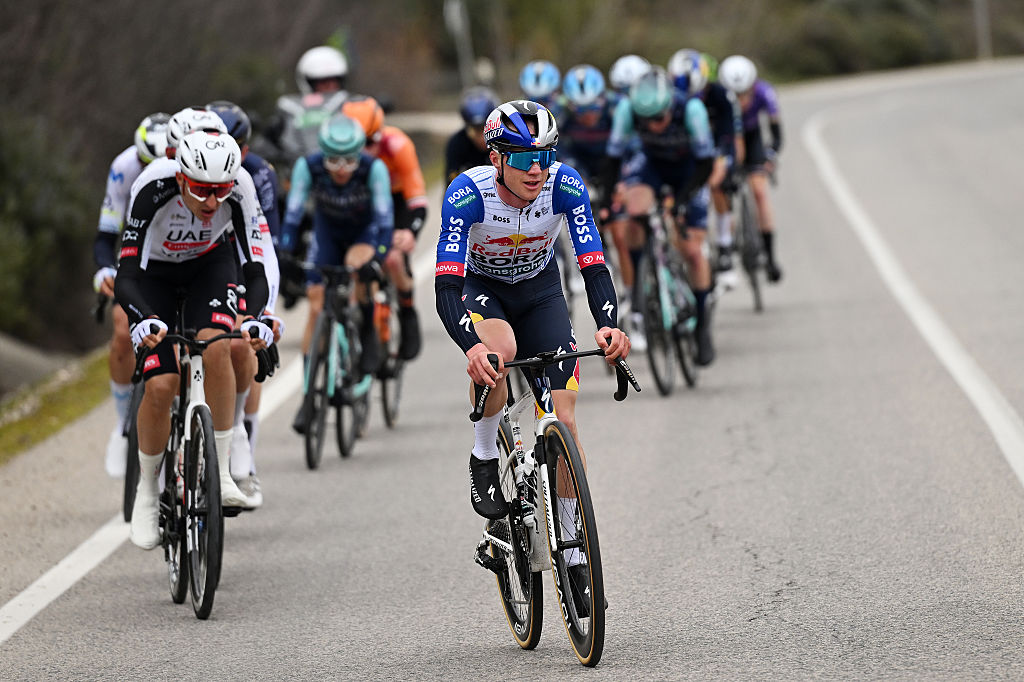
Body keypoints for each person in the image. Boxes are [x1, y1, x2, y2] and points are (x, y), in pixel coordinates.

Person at [434, 99, 630, 523]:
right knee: (498, 351)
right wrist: (471, 347)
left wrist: (609, 325)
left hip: (540, 291)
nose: (536, 170)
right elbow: (446, 286)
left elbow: (593, 263)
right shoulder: (468, 193)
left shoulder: (566, 185)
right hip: (482, 286)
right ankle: (484, 453)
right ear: (496, 158)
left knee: (564, 420)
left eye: (544, 156)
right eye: (523, 158)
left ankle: (572, 550)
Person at [115, 131, 276, 549]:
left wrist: (258, 318)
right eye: (202, 190)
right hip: (154, 278)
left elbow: (256, 267)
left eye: (220, 191)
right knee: (162, 384)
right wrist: (141, 320)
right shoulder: (153, 187)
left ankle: (220, 472)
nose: (211, 202)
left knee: (220, 344)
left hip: (210, 266)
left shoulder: (237, 189)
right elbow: (127, 276)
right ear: (182, 177)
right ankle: (148, 493)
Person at [280, 114, 394, 433]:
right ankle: (308, 396)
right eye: (333, 161)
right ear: (322, 155)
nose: (341, 169)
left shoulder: (374, 170)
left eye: (348, 161)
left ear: (360, 154)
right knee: (316, 307)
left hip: (363, 233)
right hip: (327, 235)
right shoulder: (309, 166)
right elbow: (292, 215)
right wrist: (285, 253)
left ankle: (368, 331)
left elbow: (385, 221)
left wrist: (379, 258)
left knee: (360, 270)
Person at [604, 66, 717, 365]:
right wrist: (606, 202)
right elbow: (613, 159)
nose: (653, 125)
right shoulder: (629, 109)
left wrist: (680, 202)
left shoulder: (691, 109)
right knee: (634, 212)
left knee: (692, 251)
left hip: (690, 171)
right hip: (653, 166)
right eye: (646, 120)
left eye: (659, 118)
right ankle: (643, 281)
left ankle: (703, 325)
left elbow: (706, 164)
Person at [208, 100, 284, 509]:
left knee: (241, 345)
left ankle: (242, 447)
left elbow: (263, 246)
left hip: (240, 260)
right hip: (195, 263)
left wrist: (263, 313)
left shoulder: (256, 175)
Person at [92, 113, 169, 478]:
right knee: (123, 331)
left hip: (179, 256)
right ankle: (124, 425)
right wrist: (105, 270)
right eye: (145, 163)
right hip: (138, 257)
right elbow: (106, 234)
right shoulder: (123, 167)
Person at [343, 95, 426, 361]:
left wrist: (410, 232)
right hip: (364, 202)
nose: (363, 152)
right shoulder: (342, 152)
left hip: (397, 202)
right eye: (357, 145)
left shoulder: (398, 145)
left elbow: (418, 201)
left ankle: (407, 310)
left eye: (369, 143)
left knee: (392, 257)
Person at [669, 49, 743, 285]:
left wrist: (722, 162)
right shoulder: (671, 98)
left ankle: (724, 246)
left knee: (718, 184)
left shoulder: (720, 95)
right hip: (690, 151)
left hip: (717, 146)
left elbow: (728, 133)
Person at [718, 54, 784, 283]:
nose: (741, 100)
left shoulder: (765, 92)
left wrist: (771, 154)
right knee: (724, 190)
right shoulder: (718, 98)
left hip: (753, 137)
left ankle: (770, 256)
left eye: (745, 93)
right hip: (728, 138)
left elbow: (776, 132)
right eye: (735, 95)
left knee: (759, 191)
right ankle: (727, 241)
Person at [444, 86, 498, 185]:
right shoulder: (457, 144)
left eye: (486, 129)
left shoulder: (504, 141)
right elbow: (451, 184)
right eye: (475, 130)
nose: (482, 137)